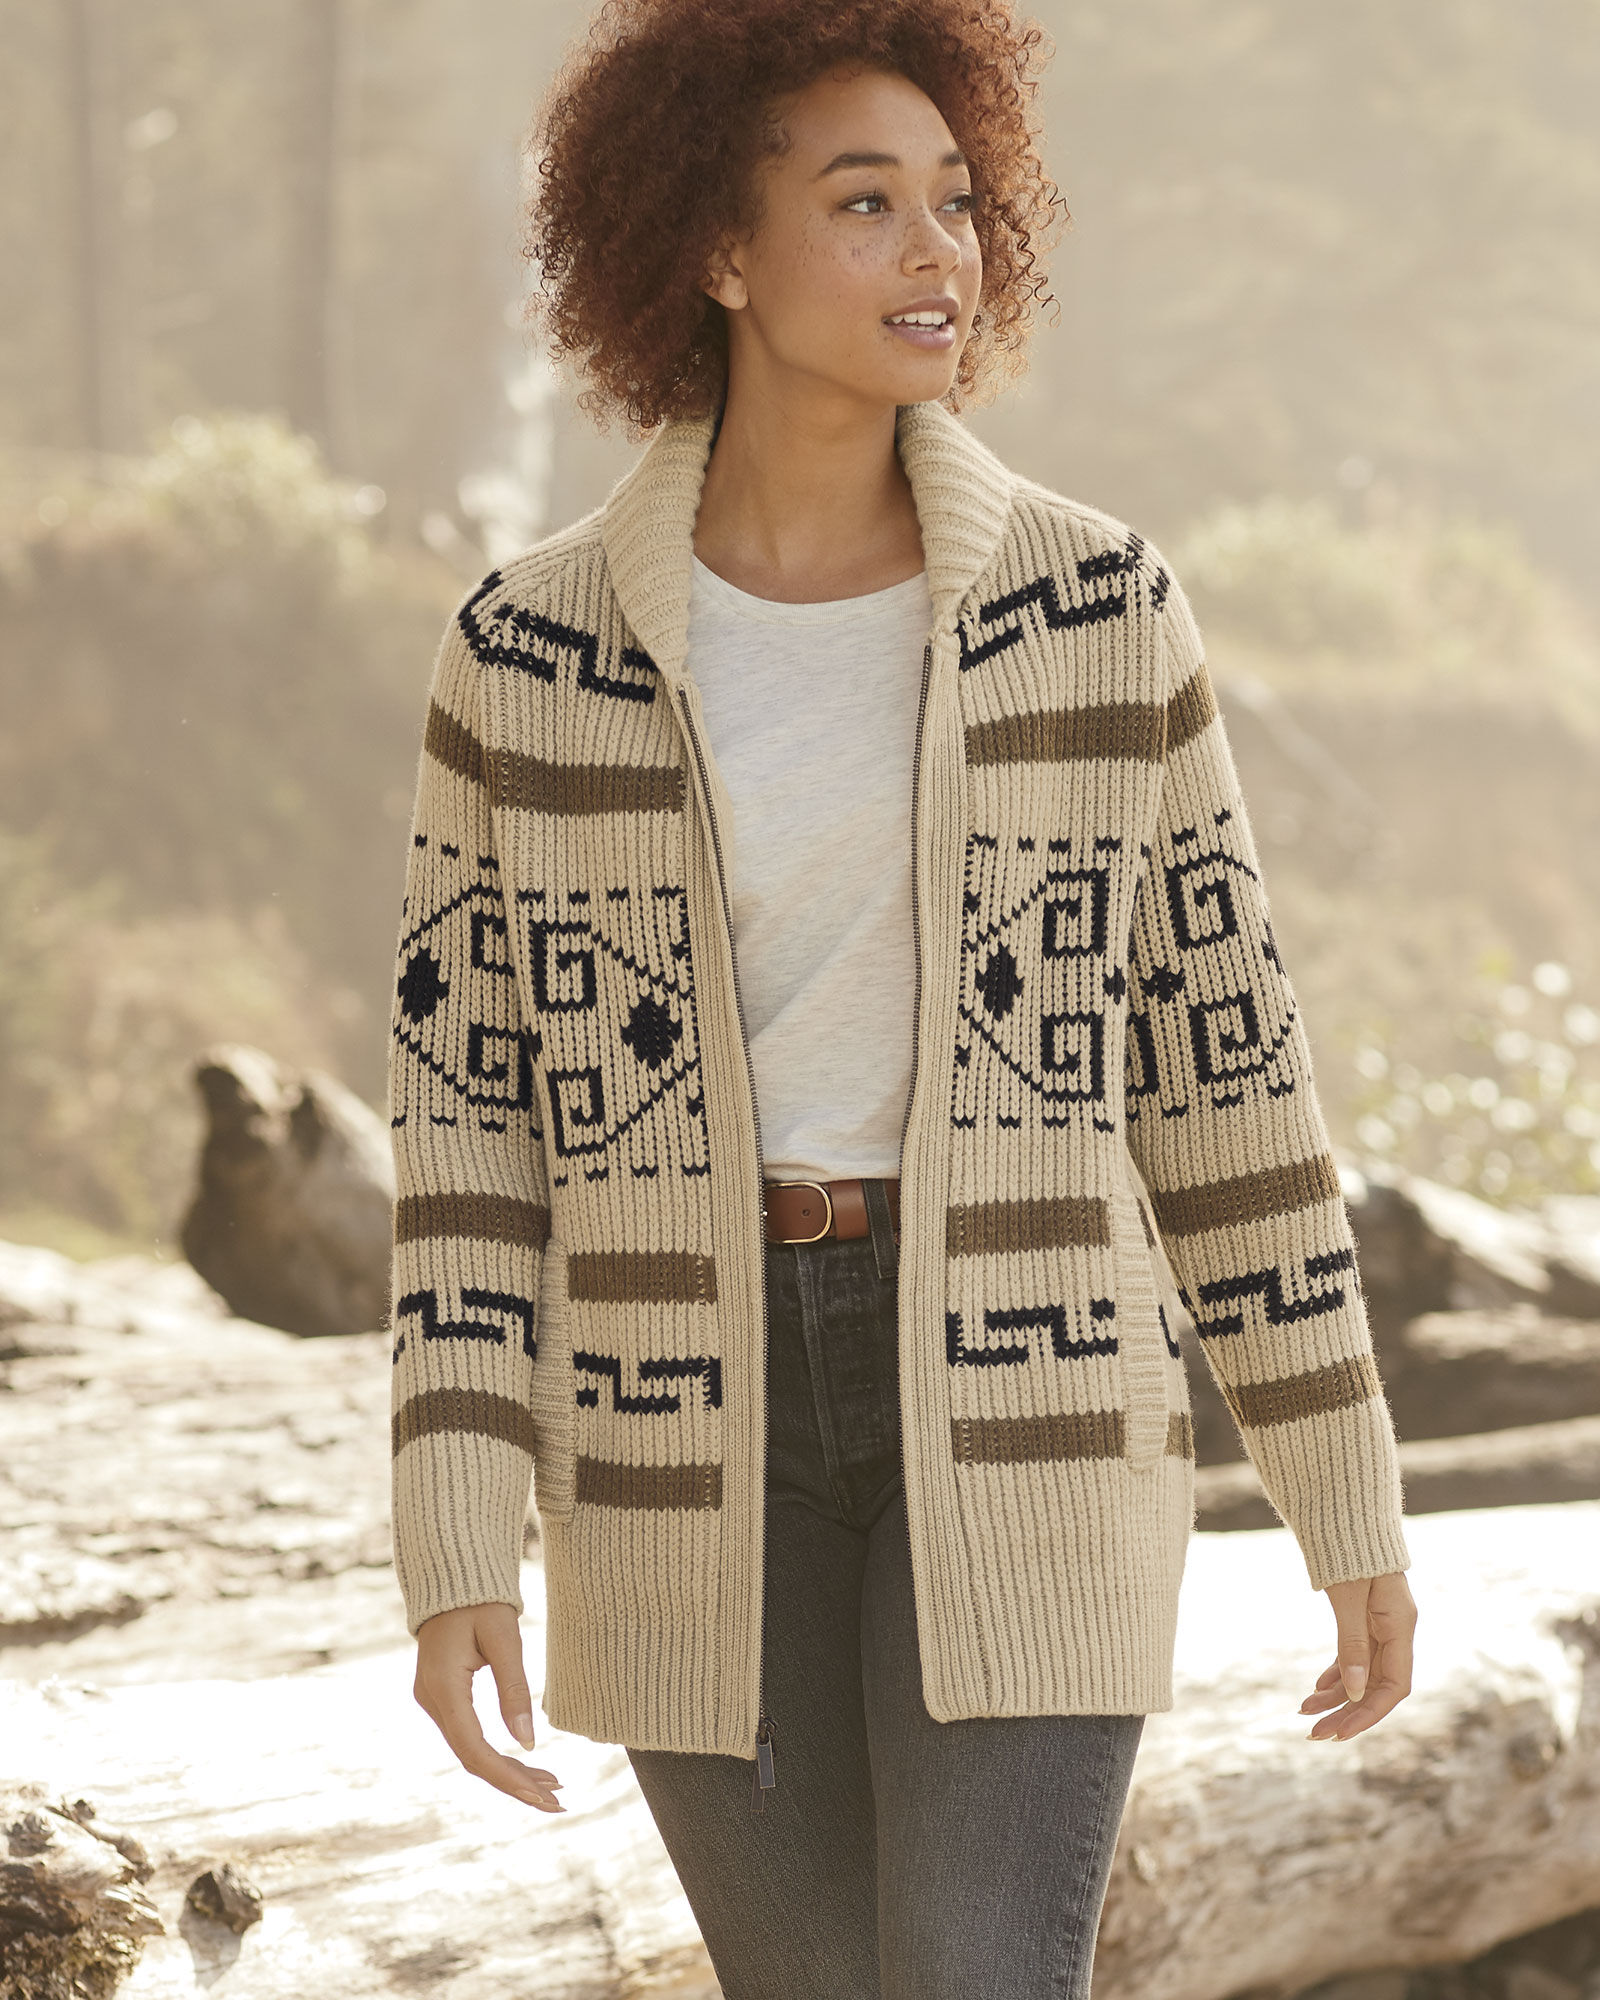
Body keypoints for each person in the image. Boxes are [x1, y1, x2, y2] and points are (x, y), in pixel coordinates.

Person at [385, 2, 1418, 1994]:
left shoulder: (1093, 613)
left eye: (955, 200)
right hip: (673, 1433)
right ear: (713, 245)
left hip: (1025, 1394)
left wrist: (1338, 1491)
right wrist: (452, 1536)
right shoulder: (524, 658)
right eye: (863, 203)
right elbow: (465, 1132)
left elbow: (1226, 1081)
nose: (935, 248)